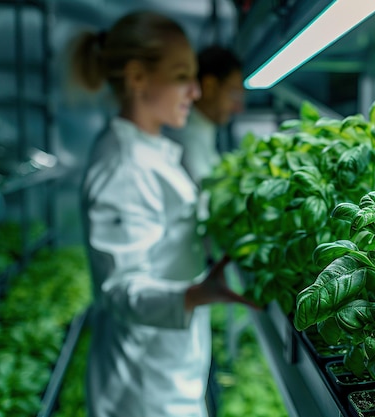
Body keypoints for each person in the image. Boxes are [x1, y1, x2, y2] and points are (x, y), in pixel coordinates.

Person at [68, 11, 254, 417]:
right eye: (181, 76)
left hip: (166, 364)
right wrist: (197, 293)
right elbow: (120, 289)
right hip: (142, 387)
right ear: (137, 78)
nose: (194, 90)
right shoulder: (124, 167)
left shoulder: (149, 150)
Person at [164, 45, 244, 187]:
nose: (238, 108)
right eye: (233, 94)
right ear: (209, 87)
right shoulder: (186, 138)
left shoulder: (203, 130)